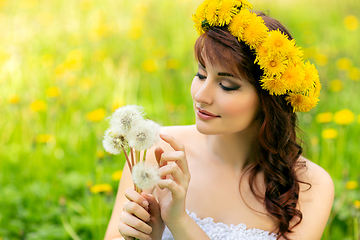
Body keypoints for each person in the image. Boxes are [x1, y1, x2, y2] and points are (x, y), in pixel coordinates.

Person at [104, 0, 334, 239]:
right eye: (201, 74)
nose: (201, 96)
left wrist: (178, 221)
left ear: (269, 100)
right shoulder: (157, 152)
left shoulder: (311, 186)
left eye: (227, 86)